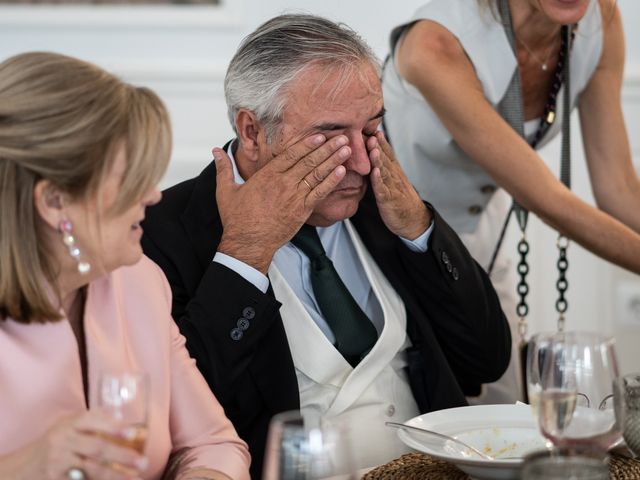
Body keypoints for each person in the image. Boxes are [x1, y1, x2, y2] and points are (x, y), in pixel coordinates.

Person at [141, 14, 511, 476]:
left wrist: (418, 227)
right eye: (330, 135)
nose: (358, 159)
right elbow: (169, 422)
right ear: (252, 131)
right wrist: (244, 253)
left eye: (372, 128)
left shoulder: (382, 198)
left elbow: (487, 359)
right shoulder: (159, 233)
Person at [0, 52, 250, 480]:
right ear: (53, 200)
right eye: (132, 178)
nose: (153, 196)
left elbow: (213, 443)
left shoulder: (138, 283)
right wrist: (27, 466)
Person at [382, 0, 640, 404]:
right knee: (414, 413)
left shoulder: (600, 23)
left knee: (498, 404)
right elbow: (546, 200)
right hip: (385, 239)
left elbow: (620, 188)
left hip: (483, 232)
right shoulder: (434, 44)